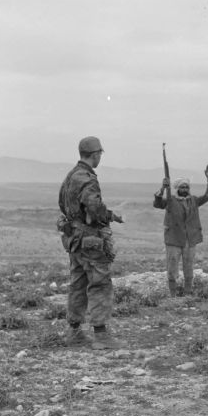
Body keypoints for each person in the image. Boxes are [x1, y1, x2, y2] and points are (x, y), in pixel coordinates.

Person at [58, 136, 125, 349]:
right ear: (95, 154)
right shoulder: (87, 178)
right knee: (100, 283)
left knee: (78, 284)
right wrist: (111, 215)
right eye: (99, 154)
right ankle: (101, 335)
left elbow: (62, 204)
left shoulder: (70, 176)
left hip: (74, 240)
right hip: (90, 240)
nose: (99, 158)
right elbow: (95, 208)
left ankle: (74, 332)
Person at [153, 165, 208, 297]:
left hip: (190, 239)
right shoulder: (171, 200)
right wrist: (163, 188)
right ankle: (173, 295)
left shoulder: (194, 200)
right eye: (182, 187)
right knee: (172, 267)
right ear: (177, 188)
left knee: (189, 266)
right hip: (174, 239)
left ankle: (188, 294)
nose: (184, 189)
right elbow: (157, 203)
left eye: (186, 187)